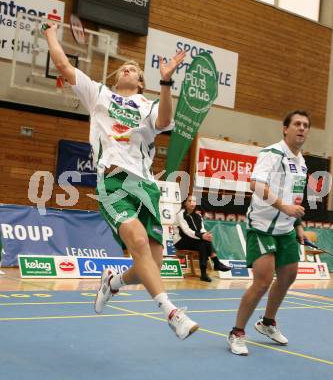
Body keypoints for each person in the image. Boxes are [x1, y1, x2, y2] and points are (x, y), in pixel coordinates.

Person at [44, 23, 199, 340]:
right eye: (125, 68)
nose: (129, 69)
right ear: (116, 78)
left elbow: (167, 121)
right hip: (113, 183)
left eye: (135, 69)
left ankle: (113, 282)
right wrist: (49, 32)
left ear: (142, 82)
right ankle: (172, 312)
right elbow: (62, 64)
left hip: (146, 187)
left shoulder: (149, 105)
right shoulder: (98, 94)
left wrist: (166, 81)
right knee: (139, 244)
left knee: (151, 265)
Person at [227, 110, 310, 355]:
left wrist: (298, 225)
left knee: (289, 276)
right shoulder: (272, 154)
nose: (302, 128)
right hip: (262, 227)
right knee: (262, 281)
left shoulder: (302, 162)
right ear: (285, 128)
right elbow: (256, 184)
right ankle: (237, 332)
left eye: (305, 125)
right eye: (297, 124)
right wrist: (283, 206)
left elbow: (294, 197)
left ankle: (267, 322)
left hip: (285, 228)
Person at [174, 195, 231, 282]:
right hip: (181, 240)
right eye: (189, 201)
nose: (192, 203)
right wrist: (202, 236)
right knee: (203, 242)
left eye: (194, 201)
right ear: (185, 203)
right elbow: (186, 231)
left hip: (194, 240)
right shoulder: (180, 215)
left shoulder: (198, 215)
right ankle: (214, 264)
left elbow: (201, 229)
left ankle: (207, 272)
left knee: (204, 242)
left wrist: (205, 235)